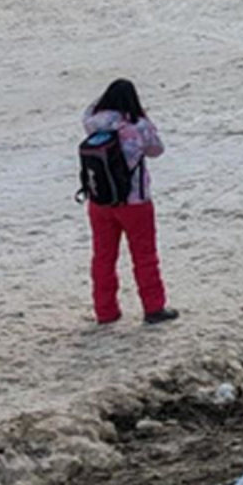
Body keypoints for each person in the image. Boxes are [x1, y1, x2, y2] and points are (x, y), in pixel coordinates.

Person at [81, 79, 176, 325]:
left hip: (100, 202)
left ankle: (105, 311)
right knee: (144, 255)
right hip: (135, 202)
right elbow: (157, 150)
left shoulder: (93, 124)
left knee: (103, 257)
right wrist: (141, 114)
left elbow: (88, 111)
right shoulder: (138, 126)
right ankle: (153, 307)